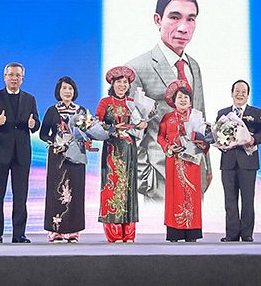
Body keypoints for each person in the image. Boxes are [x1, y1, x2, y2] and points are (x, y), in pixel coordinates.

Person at [127, 0, 211, 201]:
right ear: (158, 20)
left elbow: (200, 116)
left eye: (190, 19)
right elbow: (132, 130)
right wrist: (145, 180)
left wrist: (207, 166)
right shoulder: (137, 68)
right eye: (174, 17)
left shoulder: (193, 66)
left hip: (194, 170)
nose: (183, 28)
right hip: (159, 176)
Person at [0, 62, 40, 243]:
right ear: (4, 77)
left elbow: (36, 122)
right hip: (0, 153)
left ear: (23, 79)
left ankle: (19, 234)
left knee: (20, 196)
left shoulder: (29, 99)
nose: (14, 78)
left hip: (21, 154)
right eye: (11, 75)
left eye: (17, 75)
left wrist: (33, 125)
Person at [96, 66, 148, 242]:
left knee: (129, 188)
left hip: (129, 150)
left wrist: (143, 125)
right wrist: (112, 128)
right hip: (112, 151)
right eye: (119, 82)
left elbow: (139, 125)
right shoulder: (105, 102)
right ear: (112, 84)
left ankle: (129, 233)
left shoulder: (133, 103)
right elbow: (96, 124)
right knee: (111, 187)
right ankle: (114, 233)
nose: (122, 85)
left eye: (125, 82)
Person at [216, 79, 261, 242]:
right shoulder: (223, 113)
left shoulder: (256, 112)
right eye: (237, 91)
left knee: (248, 199)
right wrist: (221, 144)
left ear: (247, 95)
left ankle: (247, 233)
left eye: (243, 92)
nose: (240, 94)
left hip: (248, 161)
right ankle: (231, 233)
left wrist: (253, 140)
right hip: (228, 162)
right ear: (232, 93)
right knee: (230, 199)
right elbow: (217, 135)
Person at [157, 81, 209, 242]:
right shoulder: (167, 118)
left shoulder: (197, 117)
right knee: (174, 195)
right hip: (174, 162)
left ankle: (192, 232)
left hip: (192, 162)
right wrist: (168, 147)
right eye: (179, 97)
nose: (183, 100)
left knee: (192, 194)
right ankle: (174, 233)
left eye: (186, 97)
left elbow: (204, 139)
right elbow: (160, 137)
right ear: (174, 100)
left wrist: (204, 145)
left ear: (190, 101)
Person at [38, 76, 86, 242]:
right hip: (57, 156)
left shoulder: (80, 110)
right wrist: (54, 143)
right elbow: (43, 134)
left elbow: (86, 132)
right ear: (58, 91)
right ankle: (55, 230)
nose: (67, 92)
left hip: (76, 156)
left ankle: (73, 231)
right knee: (56, 190)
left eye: (70, 88)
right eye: (64, 88)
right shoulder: (52, 110)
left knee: (76, 190)